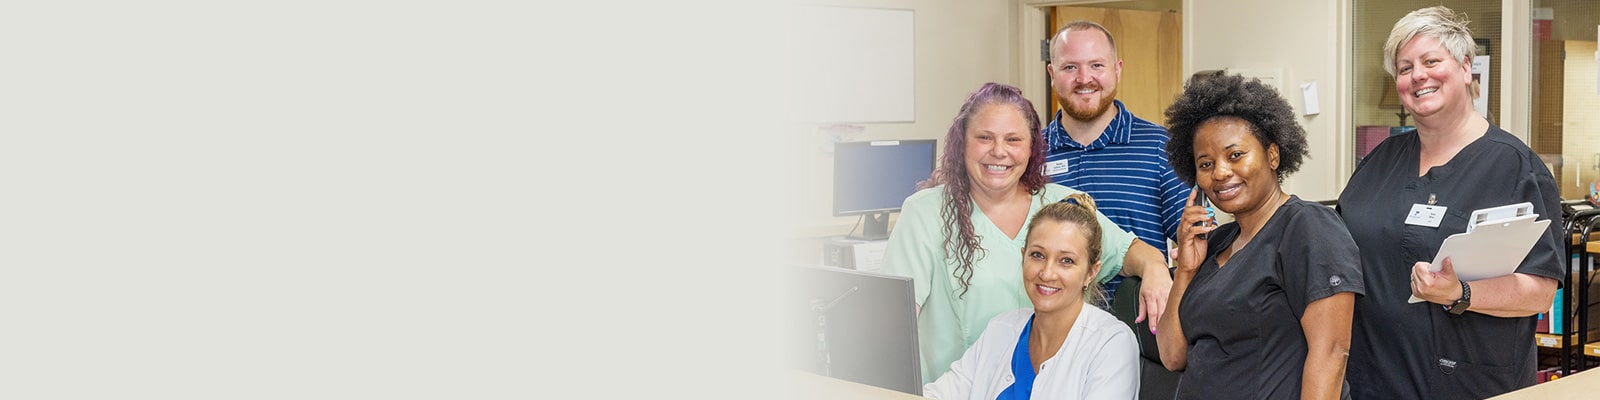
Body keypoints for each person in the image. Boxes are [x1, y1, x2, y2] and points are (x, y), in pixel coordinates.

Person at [1336, 6, 1563, 399]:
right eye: (1405, 68)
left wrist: (1462, 293)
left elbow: (1540, 291)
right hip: (1374, 380)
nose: (1417, 75)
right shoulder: (1380, 161)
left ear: (1464, 67)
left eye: (1430, 61)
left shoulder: (1514, 167)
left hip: (1466, 384)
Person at [880, 82, 1172, 384]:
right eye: (984, 138)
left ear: (1032, 146)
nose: (999, 151)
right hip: (955, 388)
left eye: (1013, 139)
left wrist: (1156, 270)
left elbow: (1130, 252)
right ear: (962, 143)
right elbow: (892, 330)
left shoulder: (1061, 207)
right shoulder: (925, 213)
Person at [1154, 73, 1364, 399]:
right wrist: (1185, 271)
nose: (1220, 172)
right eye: (1206, 163)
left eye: (1235, 155)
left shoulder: (1308, 227)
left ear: (1273, 155)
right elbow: (1171, 355)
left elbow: (1332, 354)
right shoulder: (1216, 242)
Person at [924, 194, 1139, 399]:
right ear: (1023, 257)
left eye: (1066, 261)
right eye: (1038, 255)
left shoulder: (1110, 343)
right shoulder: (1000, 329)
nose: (1046, 273)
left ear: (1091, 272)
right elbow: (939, 394)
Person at [1043, 21, 1191, 263]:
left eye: (1096, 65)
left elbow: (1195, 241)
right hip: (1047, 300)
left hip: (1135, 301)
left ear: (1117, 69)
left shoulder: (1161, 147)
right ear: (1052, 74)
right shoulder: (1028, 153)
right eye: (1070, 67)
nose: (1084, 78)